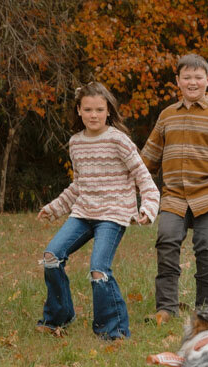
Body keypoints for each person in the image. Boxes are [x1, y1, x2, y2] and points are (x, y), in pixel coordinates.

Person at [37, 82, 160, 339]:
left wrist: (148, 208)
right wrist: (54, 208)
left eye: (99, 110)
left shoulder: (119, 140)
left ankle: (113, 331)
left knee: (99, 270)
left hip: (113, 214)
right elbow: (79, 184)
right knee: (51, 257)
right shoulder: (75, 143)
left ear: (108, 111)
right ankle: (59, 316)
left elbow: (143, 177)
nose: (94, 115)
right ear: (79, 111)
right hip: (83, 213)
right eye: (88, 110)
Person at [141, 53, 208, 320]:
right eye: (186, 77)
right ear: (177, 81)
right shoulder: (167, 116)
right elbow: (148, 157)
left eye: (198, 77)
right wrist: (130, 183)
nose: (192, 82)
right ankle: (166, 309)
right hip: (174, 196)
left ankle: (204, 310)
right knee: (166, 241)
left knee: (207, 245)